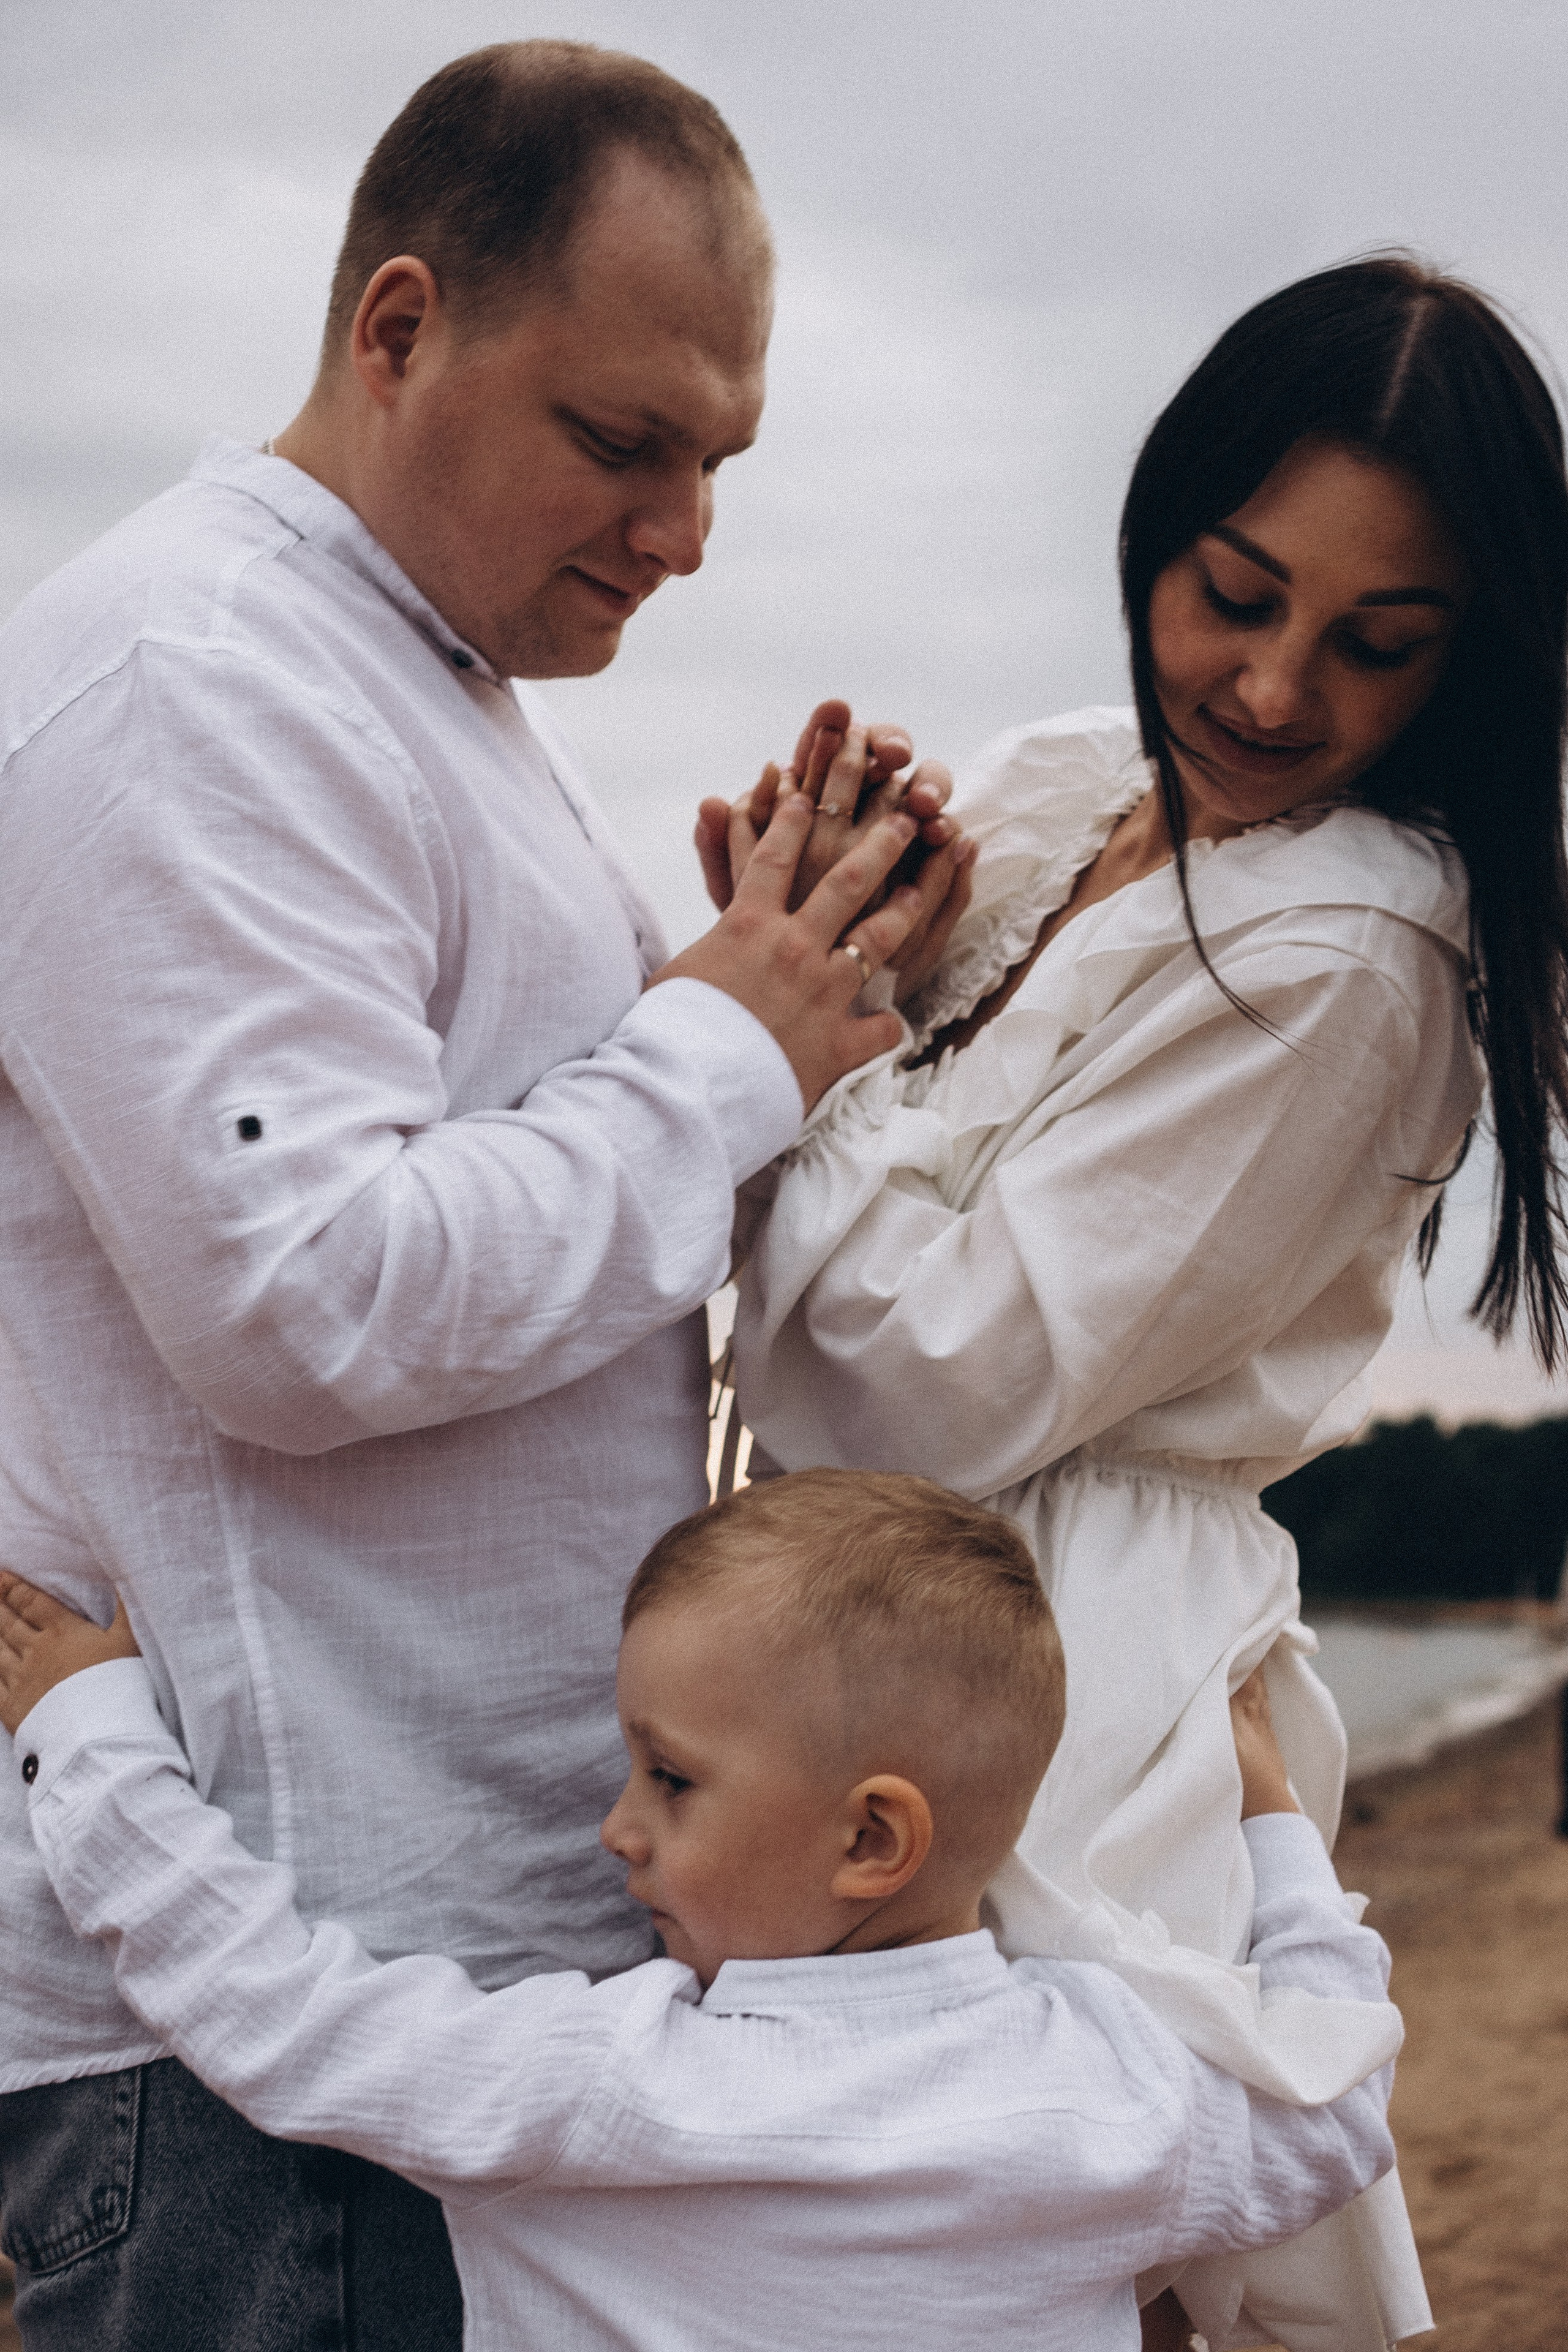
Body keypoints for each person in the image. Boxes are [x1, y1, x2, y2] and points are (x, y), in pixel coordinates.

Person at [0, 41, 973, 2352]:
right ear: (399, 326)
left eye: (715, 462)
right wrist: (721, 1037)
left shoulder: (414, 682)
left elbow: (547, 1224)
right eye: (621, 443)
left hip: (430, 1980)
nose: (682, 532)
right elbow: (306, 1304)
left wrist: (799, 1002)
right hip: (261, 2019)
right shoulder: (194, 676)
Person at [724, 257, 1568, 2350]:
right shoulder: (1063, 787)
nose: (1275, 690)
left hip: (1061, 1687)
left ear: (1465, 667)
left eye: (1377, 647)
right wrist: (813, 933)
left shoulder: (1352, 950)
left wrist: (790, 1040)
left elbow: (914, 1385)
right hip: (877, 1638)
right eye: (1233, 589)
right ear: (1155, 523)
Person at [0, 1476, 1400, 2352]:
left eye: (668, 1778)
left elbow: (283, 2014)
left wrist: (91, 1736)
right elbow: (1333, 2111)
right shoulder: (1117, 2089)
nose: (616, 1825)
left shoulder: (607, 2086)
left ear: (869, 1837)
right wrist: (1268, 1819)